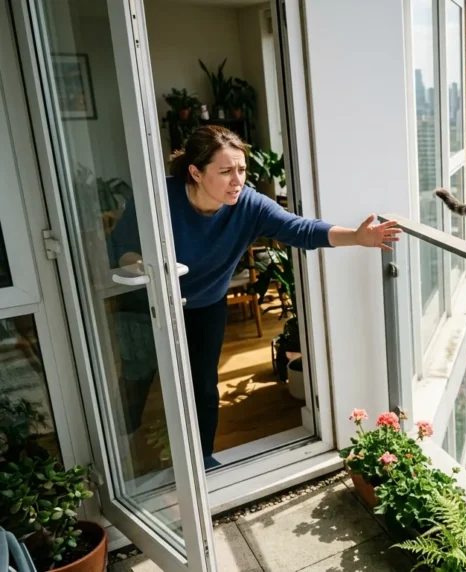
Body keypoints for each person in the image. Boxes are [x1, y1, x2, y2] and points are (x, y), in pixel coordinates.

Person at [111, 126, 400, 468]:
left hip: (204, 303)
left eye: (242, 170)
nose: (238, 180)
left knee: (203, 385)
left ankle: (202, 461)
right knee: (138, 377)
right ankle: (118, 453)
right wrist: (146, 267)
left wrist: (356, 236)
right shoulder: (158, 197)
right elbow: (120, 248)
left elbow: (301, 230)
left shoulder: (247, 205)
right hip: (149, 301)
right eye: (225, 171)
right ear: (195, 172)